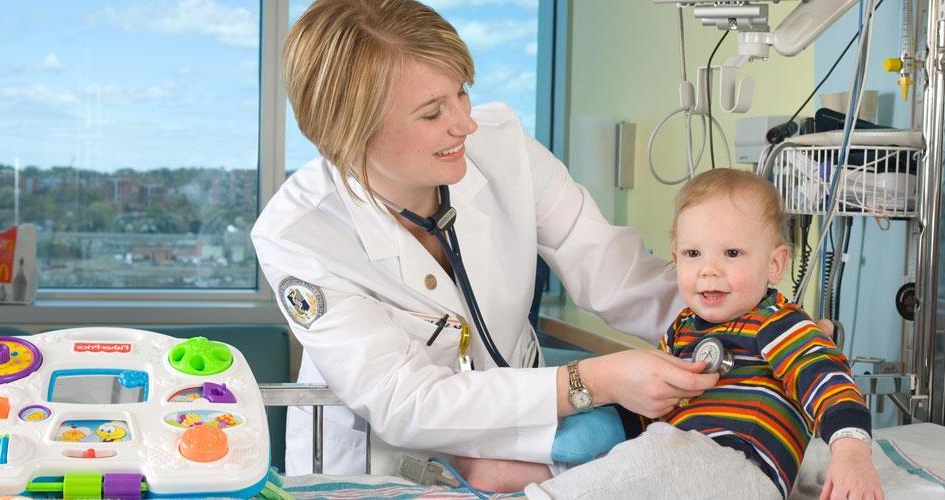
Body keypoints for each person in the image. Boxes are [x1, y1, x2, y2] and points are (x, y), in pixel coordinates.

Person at [251, 0, 721, 476]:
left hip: (526, 448)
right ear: (351, 132)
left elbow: (618, 276)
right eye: (433, 113)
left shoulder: (504, 147)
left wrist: (747, 323)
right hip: (377, 464)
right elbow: (405, 400)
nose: (465, 124)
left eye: (462, 93)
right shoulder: (298, 235)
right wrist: (592, 381)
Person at [488, 169, 881, 499]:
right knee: (625, 452)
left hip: (738, 464)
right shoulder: (683, 328)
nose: (708, 270)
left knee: (656, 457)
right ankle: (534, 473)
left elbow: (828, 380)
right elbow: (654, 405)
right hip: (684, 466)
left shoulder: (779, 323)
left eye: (731, 254)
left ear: (775, 265)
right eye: (694, 254)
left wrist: (850, 453)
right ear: (676, 259)